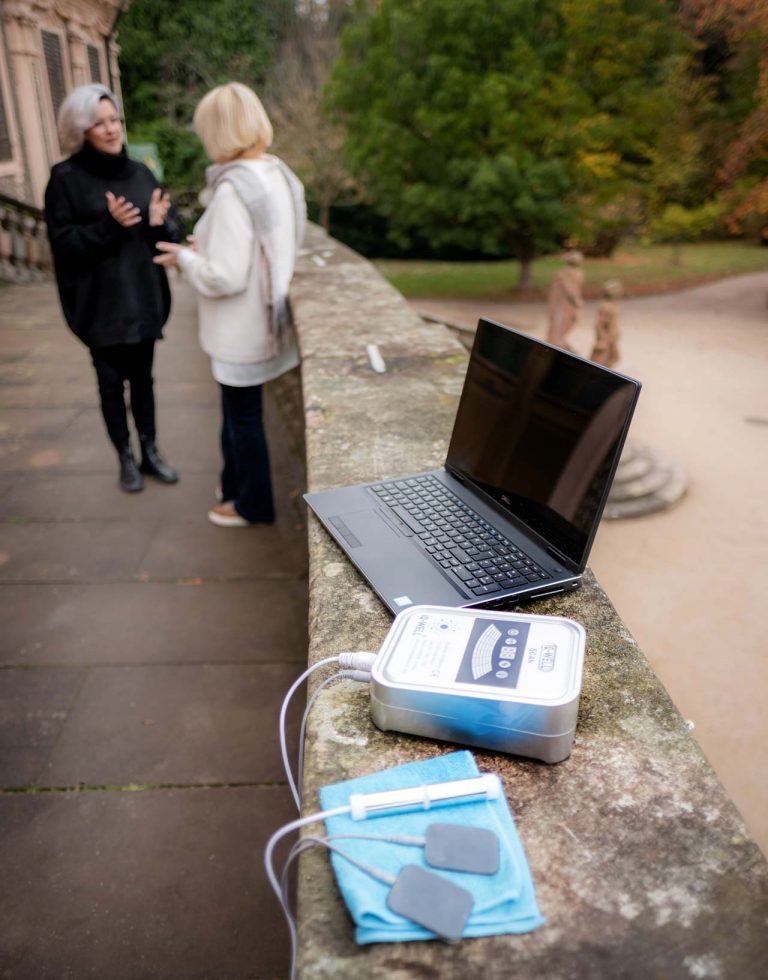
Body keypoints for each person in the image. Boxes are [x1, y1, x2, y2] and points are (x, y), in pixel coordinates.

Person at [154, 82, 305, 528]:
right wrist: (209, 246)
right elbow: (274, 243)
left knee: (242, 417)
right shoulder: (279, 174)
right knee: (239, 411)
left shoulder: (231, 190)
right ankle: (234, 484)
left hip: (243, 327)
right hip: (268, 314)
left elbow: (224, 276)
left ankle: (251, 505)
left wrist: (184, 258)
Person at [45, 83, 181, 493]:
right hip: (99, 305)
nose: (111, 129)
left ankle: (151, 451)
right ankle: (125, 458)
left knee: (144, 380)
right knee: (109, 384)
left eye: (114, 120)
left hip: (142, 298)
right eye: (99, 123)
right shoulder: (65, 179)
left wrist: (159, 223)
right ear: (80, 129)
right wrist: (109, 226)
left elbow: (168, 234)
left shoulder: (141, 173)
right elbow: (62, 244)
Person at [546, 251, 584, 351]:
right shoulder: (566, 274)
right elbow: (569, 289)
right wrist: (577, 301)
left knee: (572, 320)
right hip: (564, 303)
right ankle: (557, 341)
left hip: (568, 303)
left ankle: (560, 339)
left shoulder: (575, 274)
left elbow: (575, 289)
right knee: (563, 322)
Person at [590, 279, 622, 368]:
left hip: (611, 339)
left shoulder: (613, 306)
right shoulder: (606, 307)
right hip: (606, 340)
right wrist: (603, 339)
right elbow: (598, 325)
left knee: (614, 357)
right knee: (599, 360)